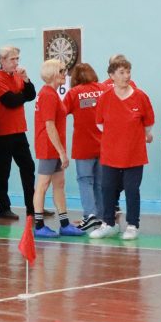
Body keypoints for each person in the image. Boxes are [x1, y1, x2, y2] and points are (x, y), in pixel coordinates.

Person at [89, 57, 155, 241]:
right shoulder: (105, 98)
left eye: (128, 72)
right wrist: (116, 136)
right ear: (111, 76)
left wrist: (135, 135)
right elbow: (100, 123)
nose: (126, 76)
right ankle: (108, 224)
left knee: (132, 189)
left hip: (134, 154)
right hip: (110, 153)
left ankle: (133, 225)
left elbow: (148, 124)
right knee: (108, 188)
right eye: (121, 73)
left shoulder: (140, 97)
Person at [31, 60, 84, 237]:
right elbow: (49, 126)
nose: (65, 74)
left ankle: (64, 223)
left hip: (55, 147)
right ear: (53, 73)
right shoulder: (47, 94)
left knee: (59, 184)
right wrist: (62, 152)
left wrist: (61, 150)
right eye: (61, 71)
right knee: (43, 185)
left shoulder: (52, 94)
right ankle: (38, 225)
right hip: (48, 147)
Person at [0, 46, 37, 220]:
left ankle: (32, 206)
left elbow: (31, 95)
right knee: (4, 170)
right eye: (12, 59)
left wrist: (26, 79)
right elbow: (10, 101)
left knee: (28, 166)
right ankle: (3, 207)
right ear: (2, 60)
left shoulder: (17, 75)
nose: (16, 62)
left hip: (18, 129)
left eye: (17, 59)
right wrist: (22, 94)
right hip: (3, 131)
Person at [63, 63, 107, 231]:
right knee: (101, 183)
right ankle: (102, 216)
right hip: (104, 144)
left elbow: (61, 112)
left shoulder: (74, 93)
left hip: (83, 145)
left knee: (85, 181)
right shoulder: (103, 89)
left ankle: (90, 215)